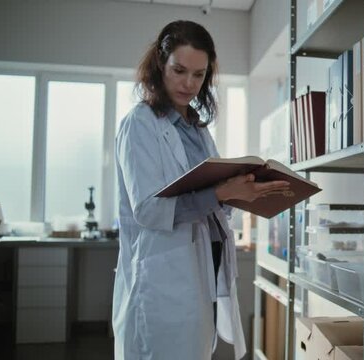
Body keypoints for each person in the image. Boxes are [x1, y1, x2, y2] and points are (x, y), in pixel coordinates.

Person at [112, 20, 289, 360]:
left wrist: (244, 190)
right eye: (179, 70)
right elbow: (148, 210)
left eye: (199, 75)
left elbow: (212, 198)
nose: (188, 83)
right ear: (160, 65)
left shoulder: (198, 131)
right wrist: (222, 194)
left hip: (202, 271)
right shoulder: (140, 124)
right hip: (161, 280)